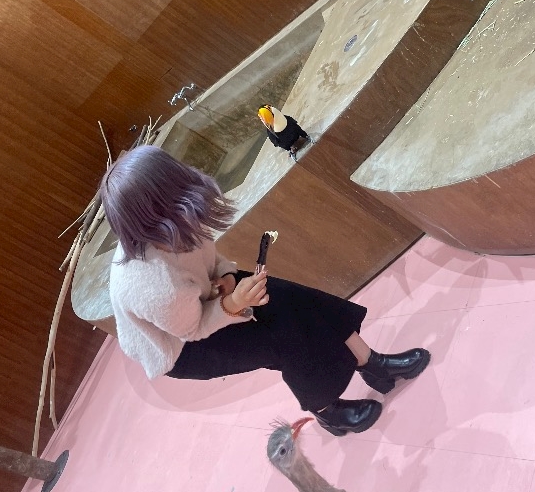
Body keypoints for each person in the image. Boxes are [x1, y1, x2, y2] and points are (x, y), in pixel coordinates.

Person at [99, 145, 430, 436]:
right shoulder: (156, 286)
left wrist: (227, 277)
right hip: (181, 346)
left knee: (299, 302)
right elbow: (193, 328)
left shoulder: (175, 222)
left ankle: (372, 363)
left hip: (204, 298)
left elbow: (209, 259)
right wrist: (233, 303)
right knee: (285, 341)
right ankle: (328, 411)